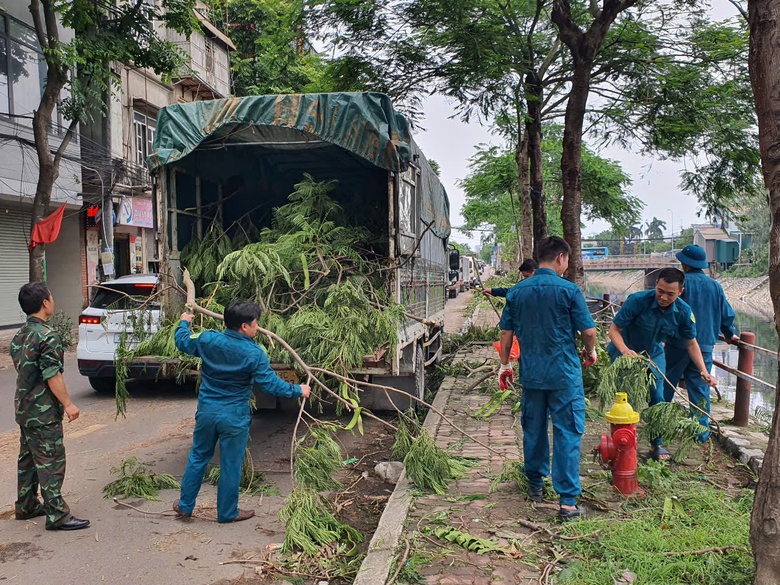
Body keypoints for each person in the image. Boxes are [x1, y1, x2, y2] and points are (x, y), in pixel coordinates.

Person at [173, 300, 311, 523]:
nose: (257, 327)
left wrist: (184, 323)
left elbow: (183, 342)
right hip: (234, 417)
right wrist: (298, 390)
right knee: (230, 463)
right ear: (245, 327)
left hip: (207, 412)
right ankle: (227, 513)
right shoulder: (254, 353)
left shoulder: (209, 339)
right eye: (256, 324)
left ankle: (185, 505)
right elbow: (270, 385)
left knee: (198, 456)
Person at [498, 237, 598, 521]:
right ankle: (567, 502)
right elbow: (589, 332)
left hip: (532, 374)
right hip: (564, 375)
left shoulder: (516, 292)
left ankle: (535, 486)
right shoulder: (569, 290)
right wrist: (590, 352)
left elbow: (506, 335)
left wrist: (504, 365)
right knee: (567, 432)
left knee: (534, 428)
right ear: (561, 258)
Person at [607, 267, 718, 461]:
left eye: (670, 294)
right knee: (626, 397)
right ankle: (623, 443)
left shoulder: (683, 312)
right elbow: (614, 330)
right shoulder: (637, 301)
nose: (664, 297)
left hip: (654, 354)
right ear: (656, 285)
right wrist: (625, 351)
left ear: (680, 292)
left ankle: (656, 443)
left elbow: (691, 343)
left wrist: (703, 371)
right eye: (660, 291)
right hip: (625, 351)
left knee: (658, 396)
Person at [10, 282, 89, 531]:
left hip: (25, 409)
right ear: (45, 303)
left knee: (28, 460)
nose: (53, 301)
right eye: (51, 297)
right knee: (51, 461)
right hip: (43, 413)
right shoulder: (47, 336)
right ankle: (57, 514)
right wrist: (68, 404)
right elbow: (52, 375)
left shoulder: (20, 335)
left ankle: (26, 505)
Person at [664, 245, 739, 441]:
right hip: (705, 346)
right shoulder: (715, 286)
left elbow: (667, 312)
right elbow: (727, 314)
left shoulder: (680, 285)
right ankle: (700, 434)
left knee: (665, 384)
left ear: (685, 264)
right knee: (700, 389)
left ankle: (659, 428)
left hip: (677, 344)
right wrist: (730, 334)